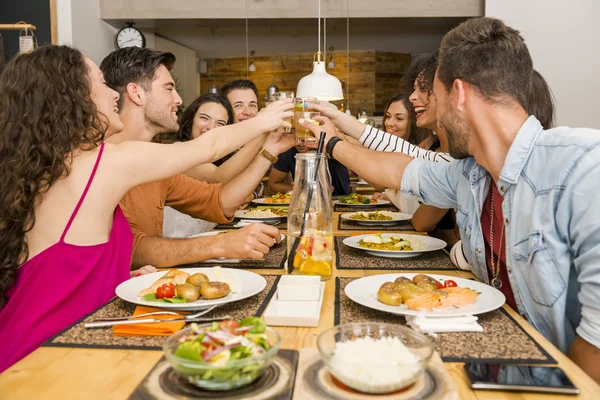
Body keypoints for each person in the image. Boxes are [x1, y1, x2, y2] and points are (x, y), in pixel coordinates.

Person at [301, 17, 600, 382]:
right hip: (494, 363)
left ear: (458, 94)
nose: (436, 115)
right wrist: (327, 141)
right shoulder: (470, 173)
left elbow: (595, 350)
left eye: (437, 100)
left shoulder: (584, 170)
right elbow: (395, 170)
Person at [0, 45, 291, 372]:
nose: (114, 93)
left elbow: (64, 271)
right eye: (100, 82)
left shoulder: (54, 167)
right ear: (73, 97)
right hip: (40, 360)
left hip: (69, 347)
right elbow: (210, 147)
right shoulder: (101, 163)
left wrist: (119, 277)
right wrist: (266, 118)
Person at [100, 47, 295, 267]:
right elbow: (131, 250)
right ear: (136, 93)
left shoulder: (158, 166)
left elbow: (219, 202)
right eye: (169, 88)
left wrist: (269, 151)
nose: (178, 99)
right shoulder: (103, 159)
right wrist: (261, 122)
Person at [163, 93, 266, 237]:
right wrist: (263, 131)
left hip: (206, 247)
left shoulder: (219, 159)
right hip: (175, 249)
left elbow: (253, 183)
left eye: (220, 123)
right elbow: (218, 177)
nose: (211, 127)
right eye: (204, 118)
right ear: (190, 121)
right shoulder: (179, 151)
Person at [267, 145, 351, 196]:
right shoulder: (288, 151)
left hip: (338, 200)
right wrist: (302, 190)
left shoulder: (332, 149)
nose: (301, 143)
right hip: (302, 203)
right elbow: (272, 187)